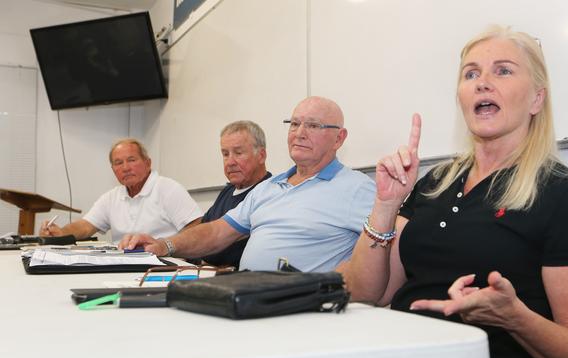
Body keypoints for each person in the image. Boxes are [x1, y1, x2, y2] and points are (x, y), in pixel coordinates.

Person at [340, 26, 568, 358]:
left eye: (503, 70)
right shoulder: (435, 182)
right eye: (471, 73)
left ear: (536, 98)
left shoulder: (566, 197)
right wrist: (385, 204)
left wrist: (515, 318)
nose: (482, 82)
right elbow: (369, 293)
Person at [121, 96, 375, 272]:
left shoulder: (357, 189)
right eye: (295, 124)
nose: (299, 133)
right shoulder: (269, 188)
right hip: (247, 297)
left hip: (304, 309)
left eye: (313, 125)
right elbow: (217, 231)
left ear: (339, 138)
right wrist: (165, 245)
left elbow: (389, 250)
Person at [40, 138, 203, 242]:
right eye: (118, 163)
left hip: (164, 265)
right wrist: (61, 232)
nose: (125, 168)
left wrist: (165, 246)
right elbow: (85, 226)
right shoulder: (111, 197)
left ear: (148, 163)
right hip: (124, 265)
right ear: (113, 170)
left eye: (131, 160)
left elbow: (197, 227)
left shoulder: (168, 189)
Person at [197, 120, 272, 269]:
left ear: (261, 155)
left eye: (238, 153)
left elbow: (228, 252)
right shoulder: (228, 191)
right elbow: (202, 235)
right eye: (225, 154)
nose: (230, 162)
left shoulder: (269, 193)